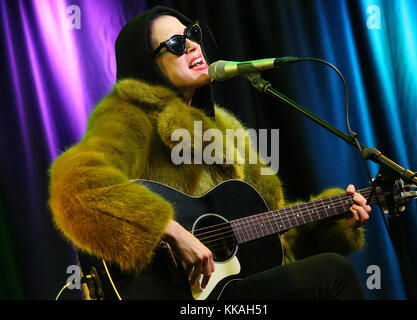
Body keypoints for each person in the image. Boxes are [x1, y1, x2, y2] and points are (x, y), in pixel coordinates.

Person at [48, 6, 371, 300]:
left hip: (234, 289)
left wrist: (333, 220)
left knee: (325, 272)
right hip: (176, 295)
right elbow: (76, 187)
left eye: (193, 34)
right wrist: (169, 229)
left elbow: (272, 239)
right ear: (148, 64)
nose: (191, 45)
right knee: (332, 272)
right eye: (175, 44)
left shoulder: (226, 129)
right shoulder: (129, 116)